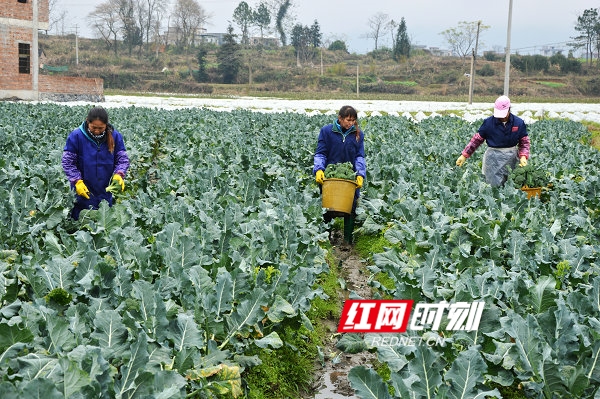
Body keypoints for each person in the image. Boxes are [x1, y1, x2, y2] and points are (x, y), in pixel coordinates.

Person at [62, 106, 130, 220]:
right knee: (81, 223)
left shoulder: (115, 136)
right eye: (94, 127)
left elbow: (122, 159)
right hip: (83, 189)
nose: (97, 131)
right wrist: (76, 181)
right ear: (87, 121)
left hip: (105, 189)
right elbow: (68, 162)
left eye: (101, 128)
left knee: (103, 221)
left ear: (106, 125)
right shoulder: (76, 136)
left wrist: (119, 173)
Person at [313, 105, 366, 244]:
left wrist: (360, 174)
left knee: (351, 207)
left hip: (349, 177)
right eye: (348, 120)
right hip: (330, 176)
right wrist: (319, 169)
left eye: (353, 120)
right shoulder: (327, 131)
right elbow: (321, 152)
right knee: (327, 207)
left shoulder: (358, 135)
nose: (350, 123)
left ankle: (348, 241)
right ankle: (326, 238)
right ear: (340, 118)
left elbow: (360, 156)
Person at [455, 95, 530, 187]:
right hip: (493, 159)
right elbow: (476, 140)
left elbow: (524, 142)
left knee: (511, 187)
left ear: (509, 110)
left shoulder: (518, 123)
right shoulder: (488, 123)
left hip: (512, 158)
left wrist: (523, 156)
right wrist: (464, 155)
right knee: (493, 187)